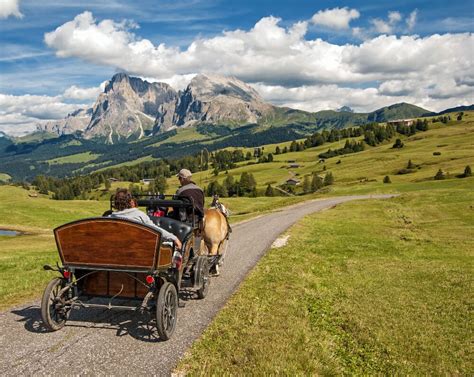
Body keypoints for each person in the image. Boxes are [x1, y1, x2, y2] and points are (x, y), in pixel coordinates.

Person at [109, 188, 182, 250]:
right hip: (139, 251)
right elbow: (155, 230)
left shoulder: (109, 218)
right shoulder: (139, 215)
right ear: (130, 201)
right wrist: (174, 238)